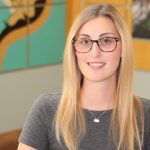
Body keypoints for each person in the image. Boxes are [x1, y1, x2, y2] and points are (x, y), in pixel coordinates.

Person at [17, 3, 150, 150]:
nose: (94, 53)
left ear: (123, 48)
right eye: (85, 41)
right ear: (74, 50)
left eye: (106, 41)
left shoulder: (146, 115)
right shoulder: (46, 110)